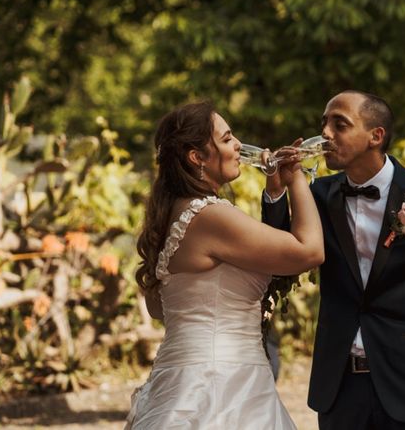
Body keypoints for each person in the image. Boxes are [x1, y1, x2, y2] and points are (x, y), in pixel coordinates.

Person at [263, 91, 405, 430]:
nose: (326, 133)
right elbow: (279, 259)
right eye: (324, 124)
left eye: (339, 124)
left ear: (376, 136)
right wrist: (276, 192)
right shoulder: (318, 195)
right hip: (339, 389)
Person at [126, 101, 324, 429]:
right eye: (228, 137)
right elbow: (310, 251)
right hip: (224, 383)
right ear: (197, 156)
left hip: (183, 375)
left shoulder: (173, 214)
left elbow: (161, 309)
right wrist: (295, 178)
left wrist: (274, 195)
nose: (238, 146)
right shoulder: (211, 215)